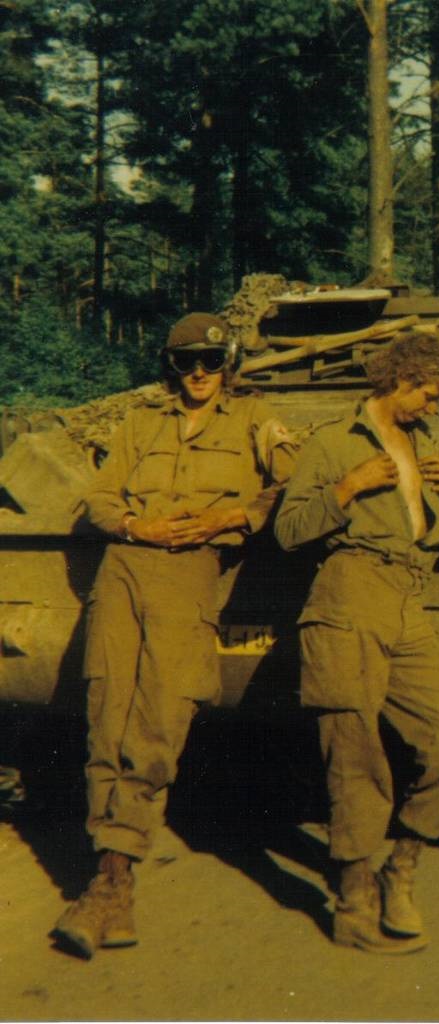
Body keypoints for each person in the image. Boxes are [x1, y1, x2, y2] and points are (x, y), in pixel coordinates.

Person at [53, 312, 297, 959]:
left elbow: (289, 486)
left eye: (211, 362)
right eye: (186, 361)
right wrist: (137, 526)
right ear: (171, 365)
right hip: (123, 569)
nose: (199, 373)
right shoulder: (141, 423)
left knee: (157, 723)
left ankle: (112, 878)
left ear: (228, 365)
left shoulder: (255, 421)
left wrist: (228, 518)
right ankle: (112, 881)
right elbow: (100, 499)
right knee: (106, 717)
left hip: (189, 573)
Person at [274, 330, 439, 955]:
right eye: (427, 394)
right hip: (350, 592)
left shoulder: (423, 441)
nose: (432, 407)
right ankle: (354, 901)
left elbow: (436, 518)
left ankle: (402, 867)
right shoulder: (334, 442)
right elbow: (289, 529)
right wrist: (347, 489)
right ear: (399, 379)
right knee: (356, 757)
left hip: (407, 598)